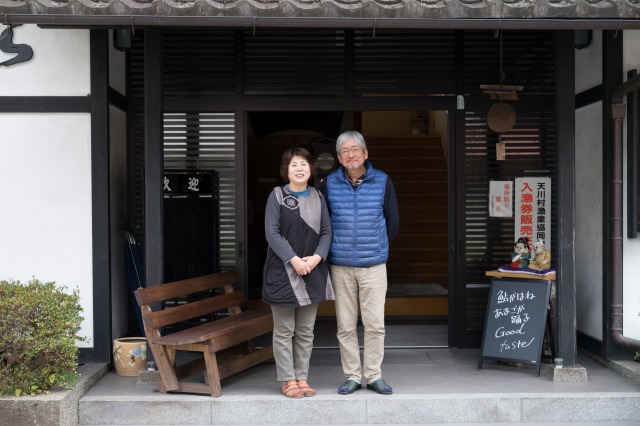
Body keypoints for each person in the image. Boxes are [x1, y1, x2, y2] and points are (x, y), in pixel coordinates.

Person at [319, 130, 399, 395]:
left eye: (355, 150)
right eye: (344, 151)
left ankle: (374, 375)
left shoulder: (383, 180)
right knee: (345, 325)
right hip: (341, 266)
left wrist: (376, 246)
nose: (350, 155)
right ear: (339, 158)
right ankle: (352, 376)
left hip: (374, 266)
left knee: (375, 324)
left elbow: (392, 221)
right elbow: (325, 225)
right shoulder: (329, 183)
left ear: (365, 153)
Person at [262, 147, 335, 399]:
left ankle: (302, 377)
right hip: (283, 272)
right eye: (294, 164)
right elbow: (272, 234)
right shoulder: (277, 196)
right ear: (286, 170)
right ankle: (287, 379)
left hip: (312, 270)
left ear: (311, 168)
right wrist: (293, 260)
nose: (300, 168)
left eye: (304, 164)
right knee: (284, 330)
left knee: (306, 330)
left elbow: (327, 232)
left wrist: (316, 258)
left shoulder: (318, 196)